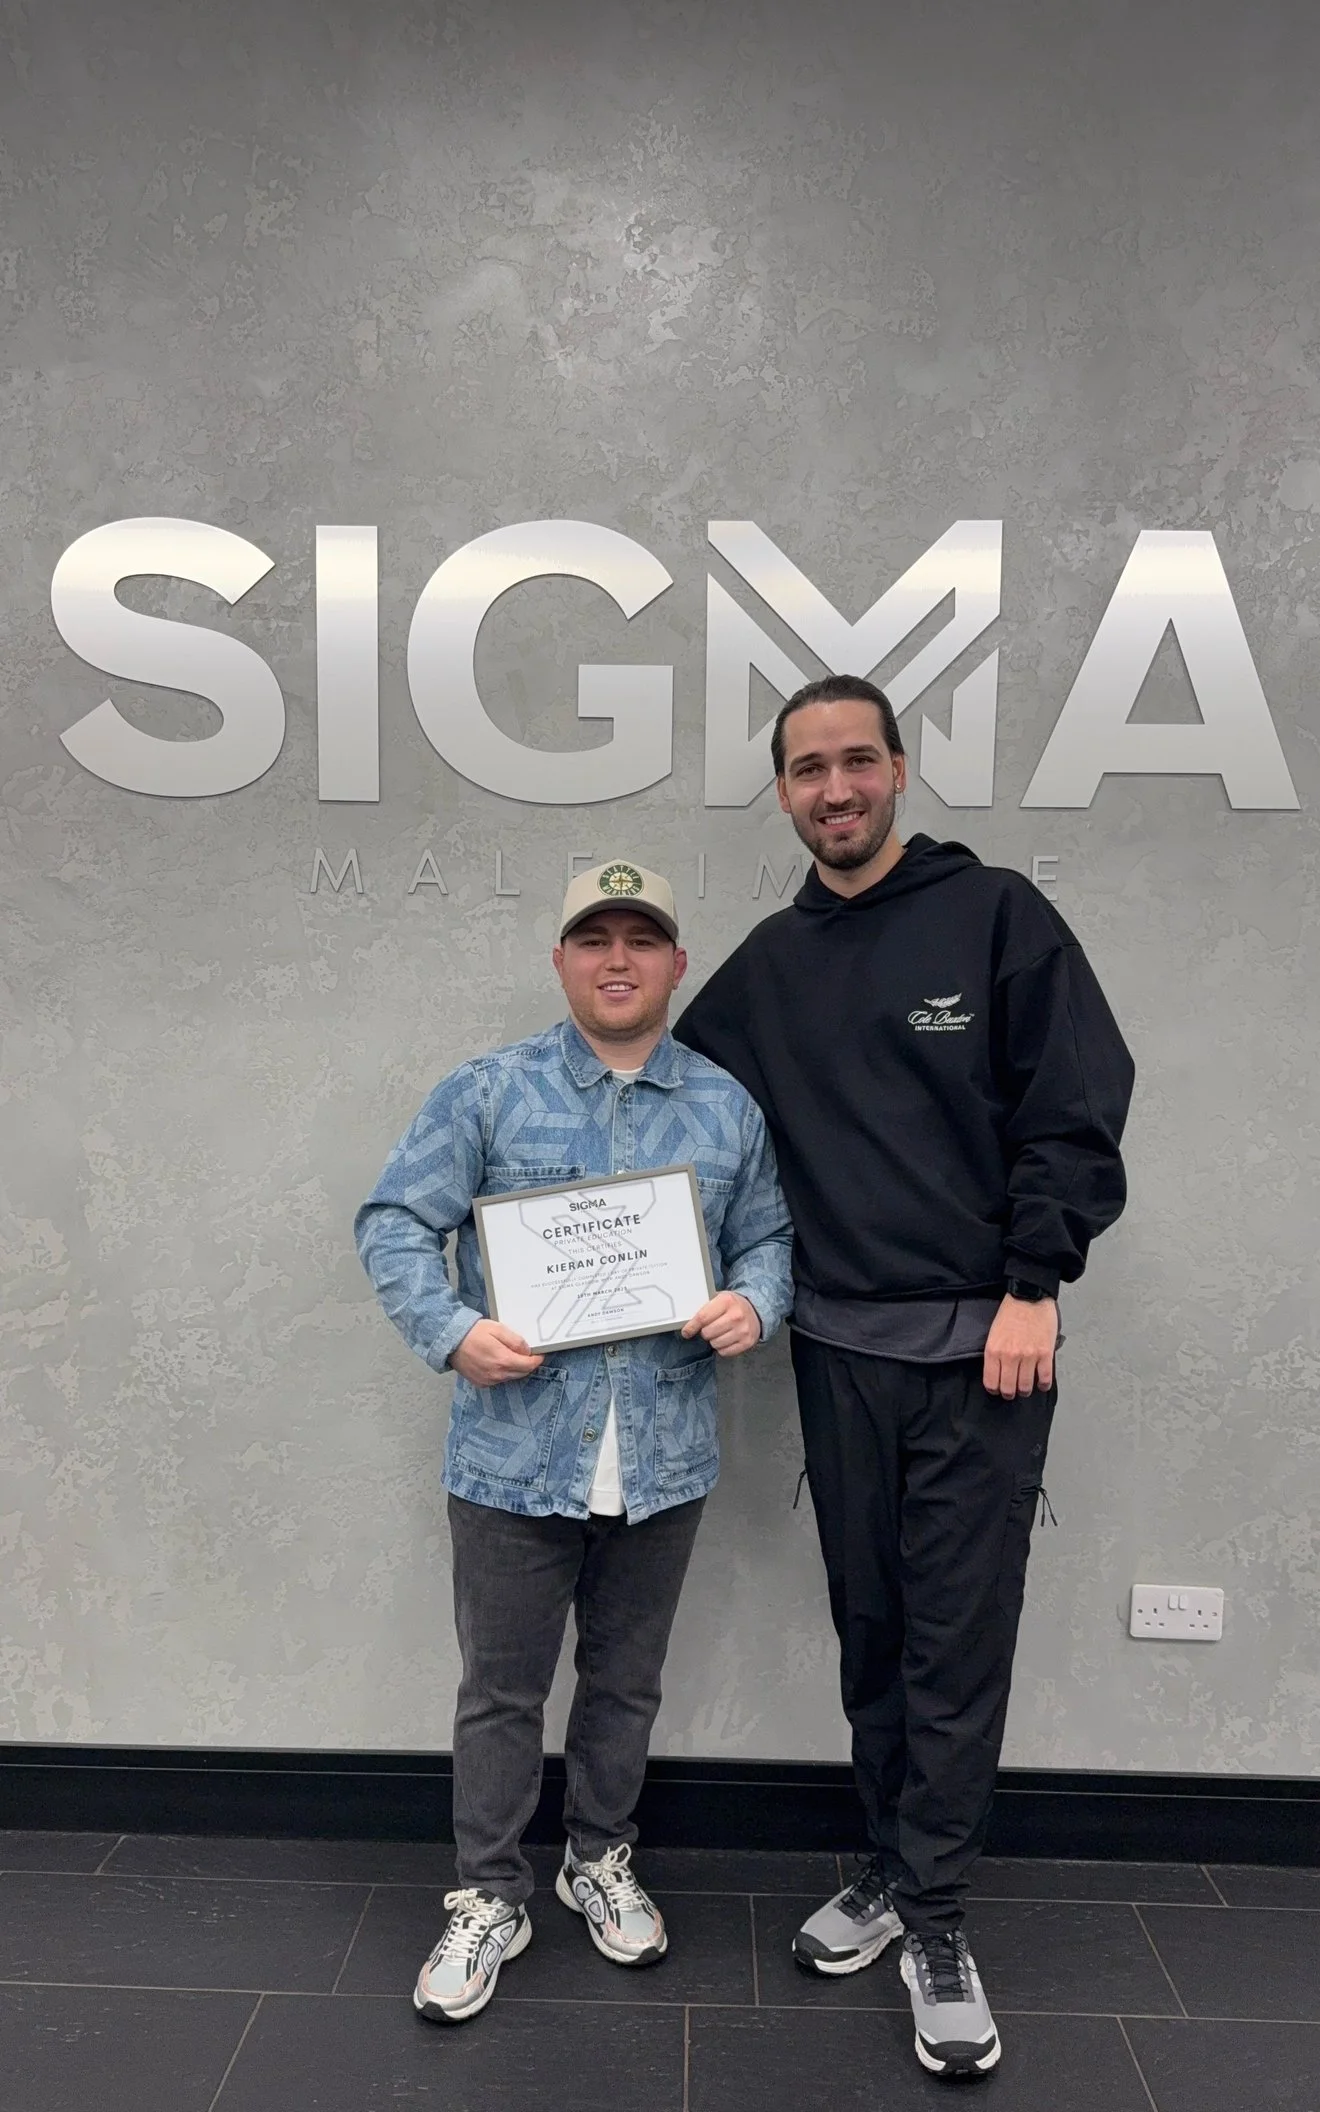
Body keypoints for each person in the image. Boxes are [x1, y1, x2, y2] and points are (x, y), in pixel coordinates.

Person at [674, 676, 1135, 2080]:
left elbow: (1077, 1105)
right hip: (841, 1357)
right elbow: (677, 1101)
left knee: (956, 1641)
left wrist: (1035, 1283)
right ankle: (889, 1863)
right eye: (808, 768)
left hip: (988, 1352)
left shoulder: (996, 917)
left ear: (899, 771)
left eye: (857, 760)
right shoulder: (771, 962)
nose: (836, 787)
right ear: (783, 794)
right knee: (872, 1633)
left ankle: (936, 1919)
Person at [355, 859, 792, 2025]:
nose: (616, 958)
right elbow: (396, 1221)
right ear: (560, 960)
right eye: (593, 938)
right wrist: (452, 1332)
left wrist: (756, 1301)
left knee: (625, 1682)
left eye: (640, 939)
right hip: (512, 1456)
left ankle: (597, 1856)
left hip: (664, 1456)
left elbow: (769, 1238)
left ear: (675, 963)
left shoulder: (725, 1106)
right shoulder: (487, 1092)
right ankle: (487, 1893)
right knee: (500, 1691)